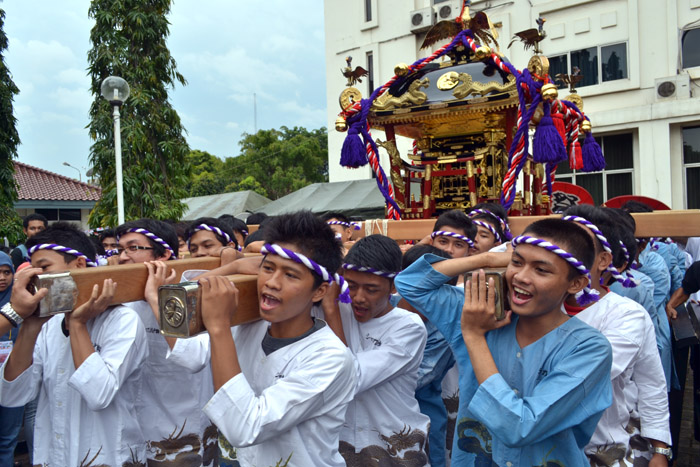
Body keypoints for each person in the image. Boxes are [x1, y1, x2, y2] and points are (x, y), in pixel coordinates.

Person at [396, 218, 613, 466]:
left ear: (576, 284)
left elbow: (519, 427)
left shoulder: (588, 348)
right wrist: (486, 259)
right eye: (517, 262)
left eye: (541, 270)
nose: (521, 277)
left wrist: (475, 337)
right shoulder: (483, 311)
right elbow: (409, 284)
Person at [168, 211, 357, 466]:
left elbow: (244, 428)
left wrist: (219, 326)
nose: (272, 282)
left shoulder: (331, 357)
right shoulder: (249, 326)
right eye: (267, 268)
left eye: (290, 275)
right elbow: (187, 351)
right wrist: (233, 267)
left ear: (319, 291)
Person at [0, 222, 149, 466]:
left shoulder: (123, 319)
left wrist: (78, 325)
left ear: (79, 265)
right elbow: (12, 396)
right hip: (54, 455)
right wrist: (30, 325)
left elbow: (98, 395)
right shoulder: (48, 323)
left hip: (107, 454)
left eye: (44, 268)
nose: (35, 279)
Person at [562, 206, 671, 466]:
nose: (564, 253)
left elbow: (651, 384)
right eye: (557, 243)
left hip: (603, 448)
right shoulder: (532, 305)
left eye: (578, 246)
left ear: (604, 260)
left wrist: (660, 449)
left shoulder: (626, 315)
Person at [114, 219, 219, 466]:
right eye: (119, 250)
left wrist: (157, 299)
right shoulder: (120, 302)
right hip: (131, 433)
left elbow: (194, 358)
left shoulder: (193, 296)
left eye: (133, 248)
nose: (122, 257)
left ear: (164, 255)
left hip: (180, 430)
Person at [321, 235, 430, 464]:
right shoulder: (341, 310)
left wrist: (330, 310)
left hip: (396, 447)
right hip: (340, 446)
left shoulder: (408, 326)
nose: (358, 298)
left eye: (371, 289)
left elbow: (351, 378)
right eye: (351, 286)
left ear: (393, 286)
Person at [399, 244, 456, 467]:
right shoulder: (388, 307)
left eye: (429, 292)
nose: (418, 297)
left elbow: (414, 380)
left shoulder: (442, 329)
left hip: (424, 418)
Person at [0, 252, 23, 466]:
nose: (2, 277)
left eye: (7, 272)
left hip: (12, 378)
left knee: (8, 440)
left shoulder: (22, 301)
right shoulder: (17, 308)